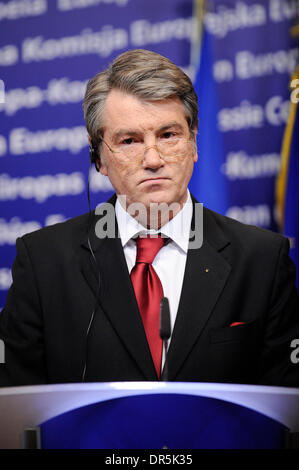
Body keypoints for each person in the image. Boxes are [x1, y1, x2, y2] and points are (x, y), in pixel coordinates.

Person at [0, 49, 299, 387]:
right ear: (98, 158)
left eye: (169, 135)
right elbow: (15, 404)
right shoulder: (43, 262)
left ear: (194, 143)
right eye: (129, 140)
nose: (153, 159)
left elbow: (285, 407)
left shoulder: (261, 259)